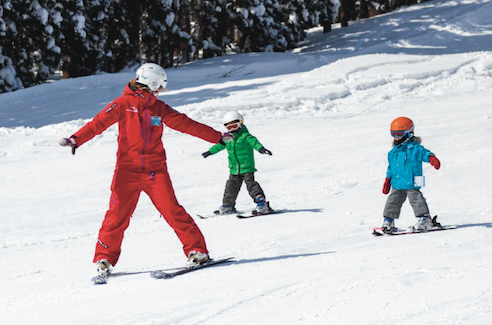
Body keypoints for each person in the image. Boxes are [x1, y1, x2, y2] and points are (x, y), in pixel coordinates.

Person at [59, 63, 233, 278]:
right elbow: (99, 122)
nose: (160, 92)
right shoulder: (122, 104)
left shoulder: (160, 109)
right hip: (126, 172)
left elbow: (186, 124)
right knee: (116, 215)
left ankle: (197, 251)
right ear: (152, 84)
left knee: (172, 210)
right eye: (159, 87)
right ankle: (104, 258)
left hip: (155, 172)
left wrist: (216, 137)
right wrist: (76, 139)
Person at [202, 111, 273, 215]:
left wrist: (261, 149)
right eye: (228, 127)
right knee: (230, 187)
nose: (232, 130)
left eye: (234, 126)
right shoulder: (228, 137)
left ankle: (261, 204)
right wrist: (210, 152)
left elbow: (254, 143)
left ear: (241, 123)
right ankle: (227, 205)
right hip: (234, 169)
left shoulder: (246, 136)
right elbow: (220, 145)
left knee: (251, 185)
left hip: (247, 167)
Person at [381, 117, 441, 232]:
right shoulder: (393, 152)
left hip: (412, 180)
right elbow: (391, 168)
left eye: (399, 133)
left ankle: (425, 218)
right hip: (397, 182)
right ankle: (388, 220)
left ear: (409, 133)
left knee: (416, 199)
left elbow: (424, 153)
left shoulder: (415, 148)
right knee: (392, 201)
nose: (396, 137)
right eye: (393, 134)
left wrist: (431, 158)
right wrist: (387, 180)